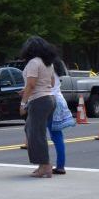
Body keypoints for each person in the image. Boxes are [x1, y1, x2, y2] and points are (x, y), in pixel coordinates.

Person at [18, 36, 59, 178]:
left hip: (39, 101)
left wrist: (23, 103)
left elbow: (31, 85)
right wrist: (29, 90)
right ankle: (42, 165)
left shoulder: (33, 63)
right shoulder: (48, 63)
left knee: (36, 134)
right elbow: (51, 83)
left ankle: (45, 166)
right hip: (49, 99)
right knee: (32, 130)